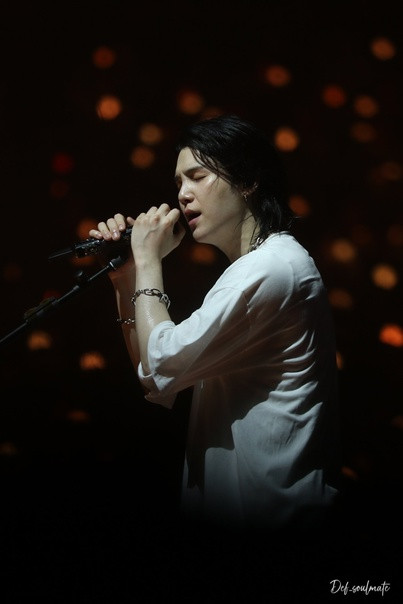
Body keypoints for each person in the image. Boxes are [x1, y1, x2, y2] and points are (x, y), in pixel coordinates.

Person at [89, 114, 340, 538]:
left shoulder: (273, 268)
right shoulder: (252, 270)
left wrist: (148, 260)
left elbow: (160, 363)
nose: (182, 194)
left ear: (248, 180)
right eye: (178, 183)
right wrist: (125, 276)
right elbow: (155, 377)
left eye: (197, 176)